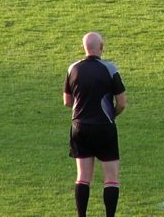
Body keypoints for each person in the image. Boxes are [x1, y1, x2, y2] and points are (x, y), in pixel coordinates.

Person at [63, 32, 127, 217]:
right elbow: (121, 103)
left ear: (84, 47)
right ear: (101, 47)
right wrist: (111, 115)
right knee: (111, 178)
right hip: (104, 127)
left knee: (83, 177)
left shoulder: (73, 68)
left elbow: (67, 101)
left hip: (80, 127)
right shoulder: (110, 68)